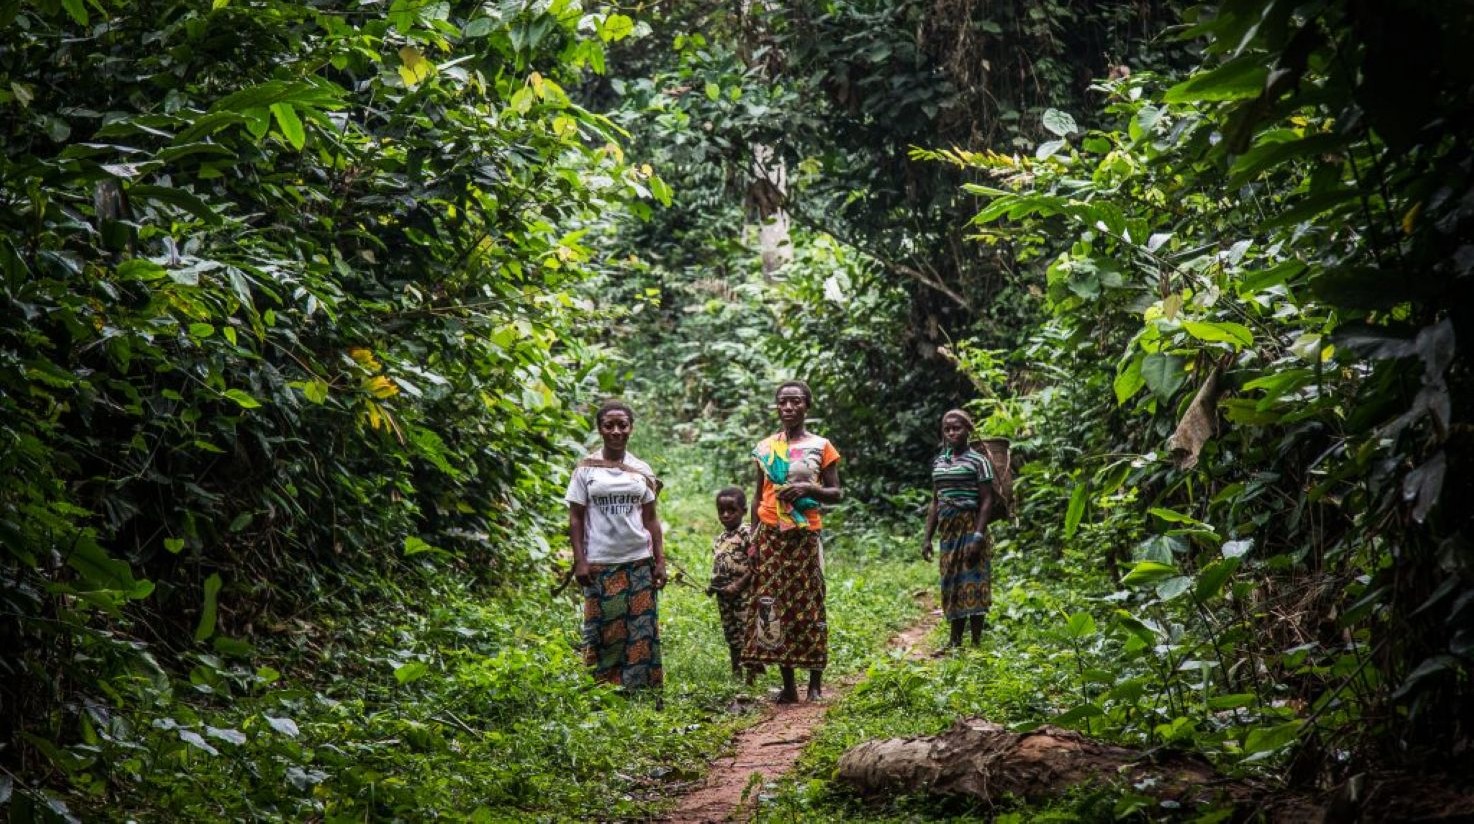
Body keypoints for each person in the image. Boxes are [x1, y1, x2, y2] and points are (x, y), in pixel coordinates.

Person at [743, 380, 842, 703]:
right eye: (783, 402)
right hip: (771, 534)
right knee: (774, 604)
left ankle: (814, 683)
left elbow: (835, 493)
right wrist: (753, 538)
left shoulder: (821, 446)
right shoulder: (765, 447)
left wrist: (810, 490)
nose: (788, 407)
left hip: (804, 534)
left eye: (795, 402)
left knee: (810, 603)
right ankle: (788, 685)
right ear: (776, 406)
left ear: (806, 407)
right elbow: (759, 496)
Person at [566, 400, 667, 690]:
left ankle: (639, 688)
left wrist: (659, 561)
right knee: (604, 627)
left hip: (638, 560)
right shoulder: (585, 470)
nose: (616, 431)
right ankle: (602, 689)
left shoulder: (640, 470)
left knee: (641, 628)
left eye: (622, 425)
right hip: (600, 562)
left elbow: (651, 520)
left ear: (631, 428)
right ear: (600, 429)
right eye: (609, 425)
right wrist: (580, 560)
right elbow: (575, 519)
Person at [920, 409, 997, 648]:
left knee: (973, 581)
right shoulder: (939, 463)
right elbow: (935, 501)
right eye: (947, 429)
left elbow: (987, 500)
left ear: (968, 431)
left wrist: (978, 536)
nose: (952, 432)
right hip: (948, 529)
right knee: (951, 582)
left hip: (971, 526)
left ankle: (975, 643)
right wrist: (927, 538)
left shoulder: (979, 461)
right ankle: (954, 641)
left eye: (957, 428)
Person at [705, 486, 761, 681]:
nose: (726, 515)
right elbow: (720, 566)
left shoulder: (747, 533)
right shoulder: (721, 538)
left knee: (747, 632)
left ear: (744, 511)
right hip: (724, 595)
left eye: (732, 510)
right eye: (722, 511)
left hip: (744, 595)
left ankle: (752, 676)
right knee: (732, 635)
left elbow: (756, 564)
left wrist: (738, 585)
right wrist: (713, 586)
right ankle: (736, 674)